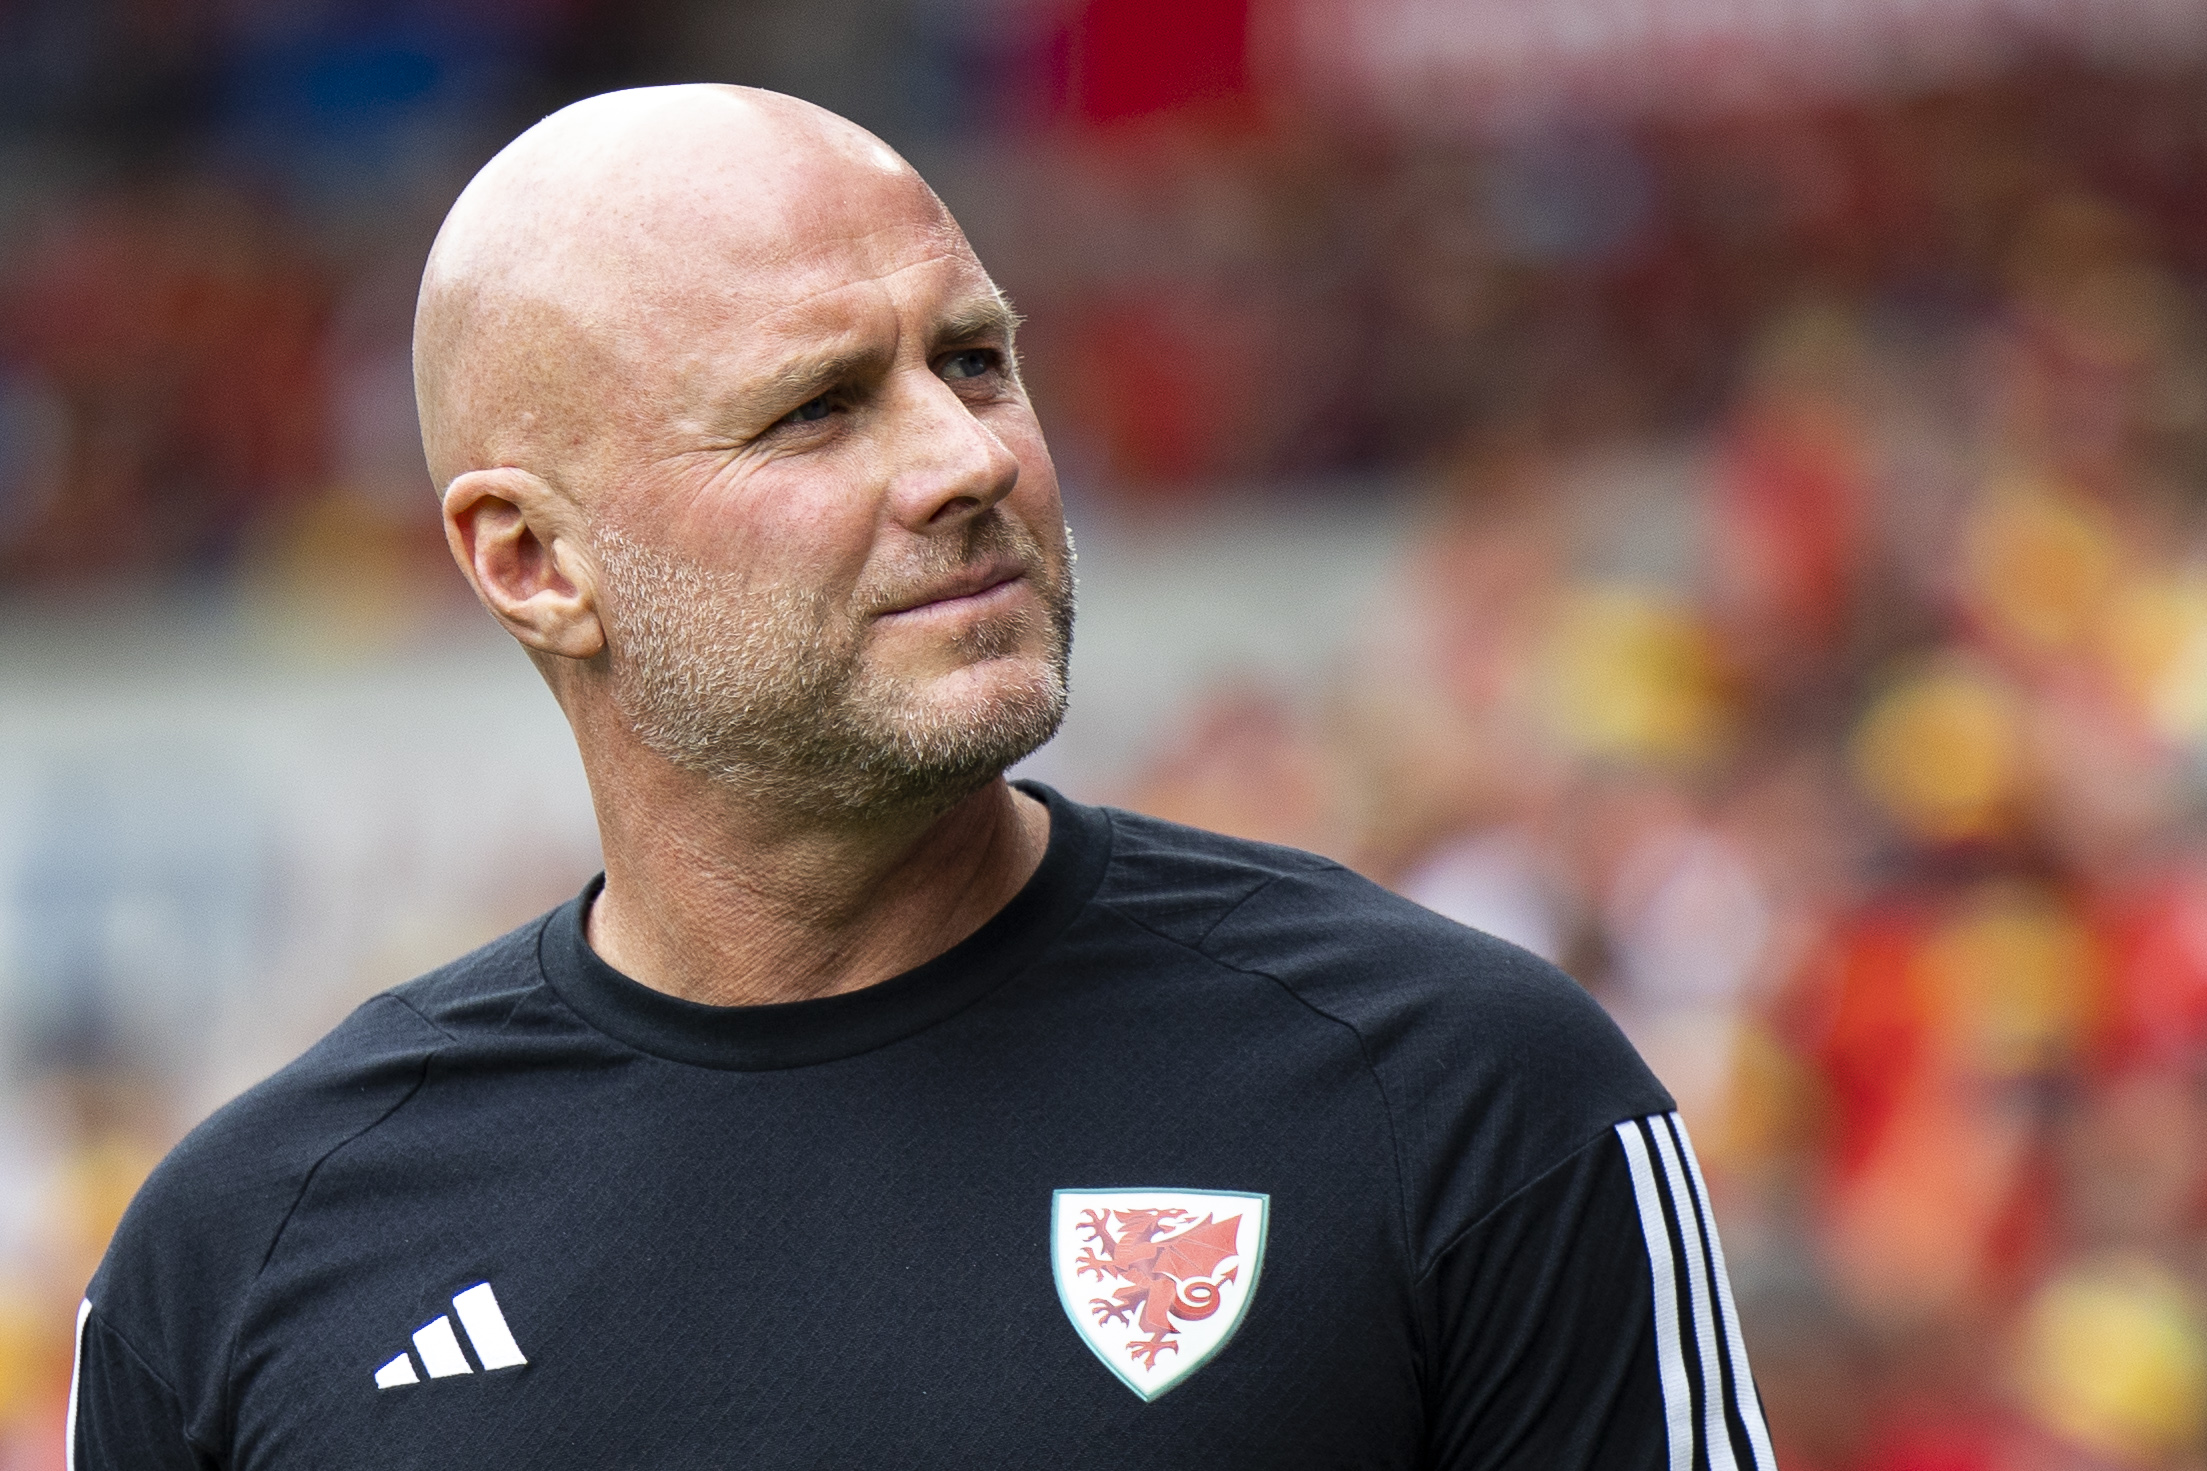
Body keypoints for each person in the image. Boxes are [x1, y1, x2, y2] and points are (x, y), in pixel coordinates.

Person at [68, 86, 1775, 1469]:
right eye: (817, 409)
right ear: (532, 561)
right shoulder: (240, 1263)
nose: (968, 460)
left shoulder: (1469, 1096)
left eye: (973, 359)